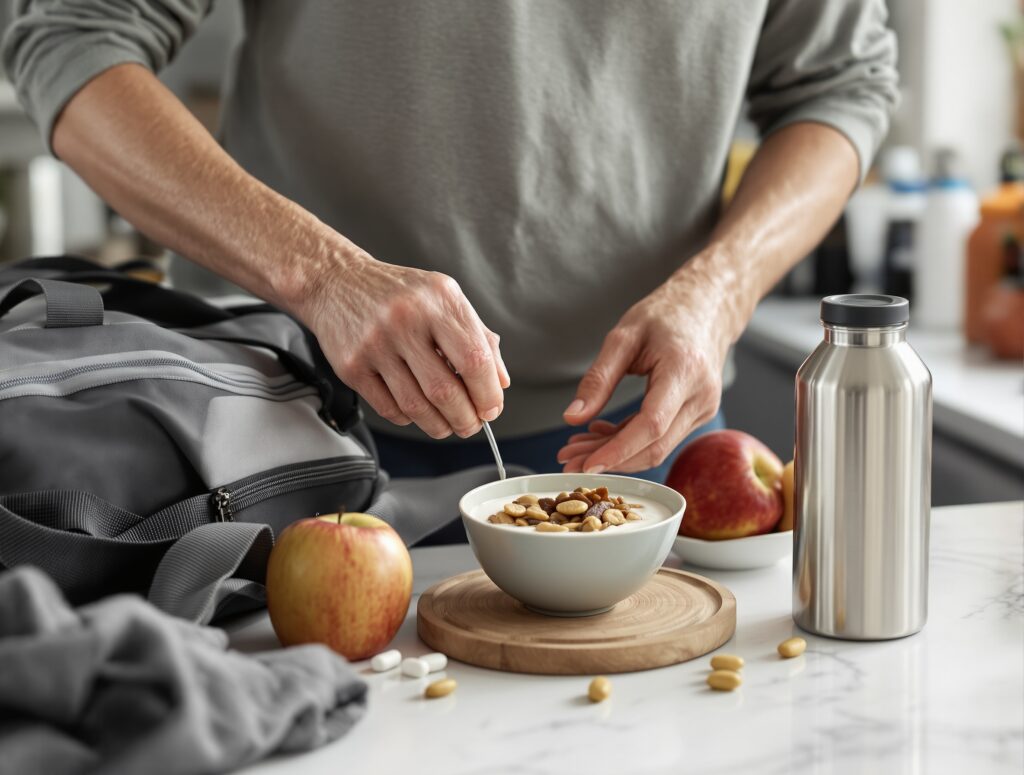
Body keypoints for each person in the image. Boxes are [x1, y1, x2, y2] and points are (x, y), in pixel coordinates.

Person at [2, 1, 897, 482]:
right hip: (272, 431)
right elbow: (71, 38)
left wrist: (720, 290)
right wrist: (323, 274)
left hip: (639, 438)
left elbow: (842, 86)